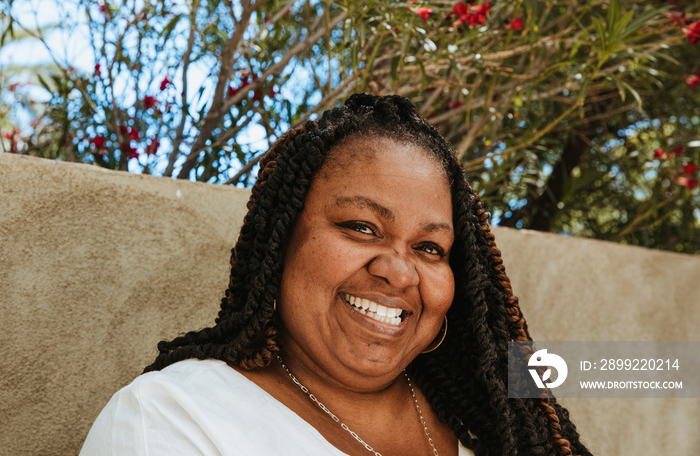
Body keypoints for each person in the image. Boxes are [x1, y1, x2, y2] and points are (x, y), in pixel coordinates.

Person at [80, 94, 591, 455]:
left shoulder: (492, 427)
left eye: (430, 247)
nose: (398, 271)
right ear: (282, 244)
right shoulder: (172, 419)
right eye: (361, 227)